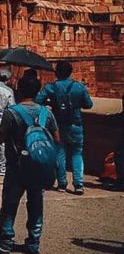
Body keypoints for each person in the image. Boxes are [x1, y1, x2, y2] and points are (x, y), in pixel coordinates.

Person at [0, 75, 59, 254]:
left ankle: (5, 242)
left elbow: (0, 138)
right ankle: (33, 242)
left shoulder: (12, 112)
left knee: (10, 204)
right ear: (38, 91)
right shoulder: (46, 113)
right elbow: (56, 139)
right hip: (38, 167)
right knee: (35, 205)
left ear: (20, 89)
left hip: (17, 166)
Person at [35, 60, 94, 194]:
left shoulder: (51, 87)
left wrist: (50, 102)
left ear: (57, 72)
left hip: (58, 125)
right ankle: (78, 184)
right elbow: (89, 104)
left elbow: (38, 100)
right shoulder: (78, 87)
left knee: (60, 154)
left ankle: (62, 183)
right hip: (76, 124)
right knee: (77, 153)